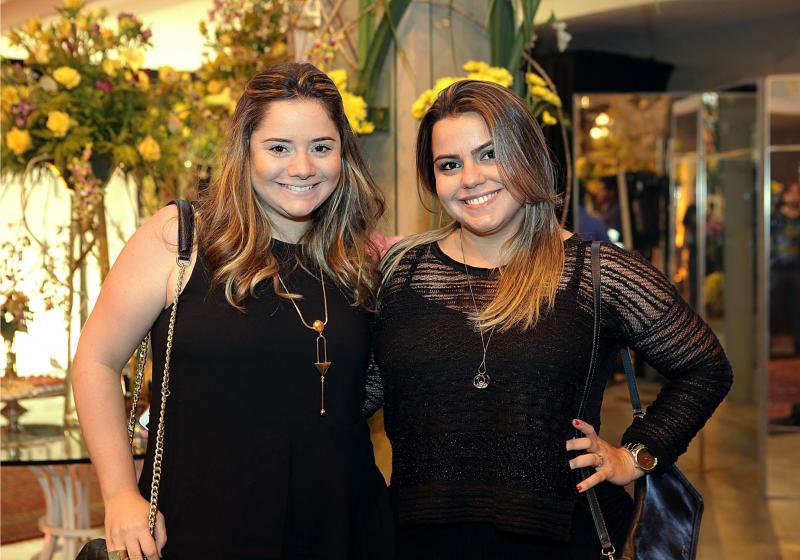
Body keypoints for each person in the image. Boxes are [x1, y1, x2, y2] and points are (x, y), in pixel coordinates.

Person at [374, 80, 733, 559]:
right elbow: (363, 386)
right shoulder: (401, 272)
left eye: (489, 154)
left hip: (564, 540)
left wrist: (636, 455)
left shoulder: (599, 272)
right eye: (449, 164)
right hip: (420, 542)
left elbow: (707, 367)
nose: (470, 178)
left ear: (528, 157)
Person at [72, 63, 393, 560]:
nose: (303, 166)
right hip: (202, 525)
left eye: (321, 147)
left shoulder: (358, 259)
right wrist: (118, 495)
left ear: (343, 154)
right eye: (279, 147)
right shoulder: (180, 239)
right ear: (246, 150)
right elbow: (96, 360)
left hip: (342, 528)